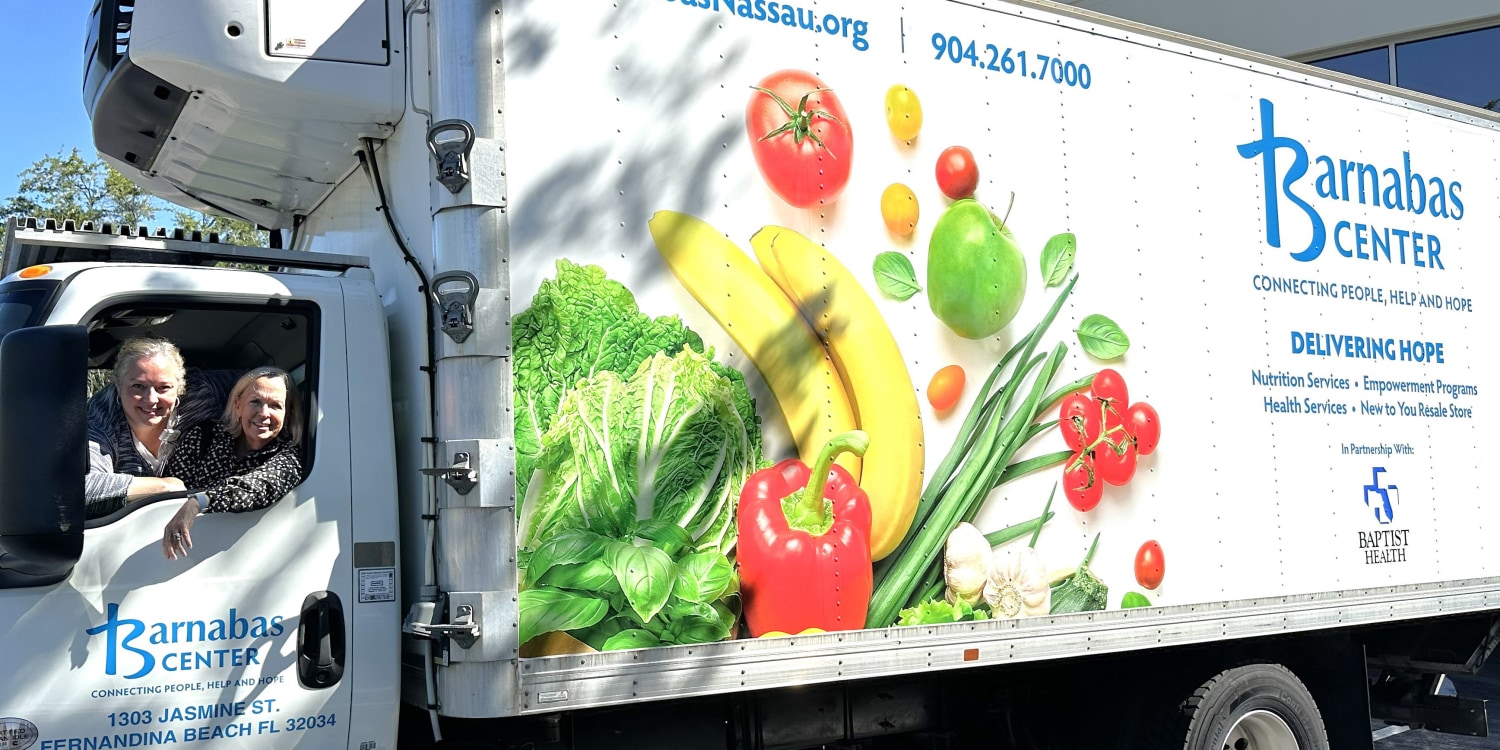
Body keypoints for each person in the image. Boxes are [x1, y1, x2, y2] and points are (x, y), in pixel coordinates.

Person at [161, 367, 305, 560]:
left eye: (275, 406)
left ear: (287, 416)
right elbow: (168, 494)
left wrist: (198, 502)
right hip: (179, 556)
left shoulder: (290, 456)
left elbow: (257, 488)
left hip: (246, 561)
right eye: (255, 402)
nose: (264, 413)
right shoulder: (204, 436)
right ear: (238, 406)